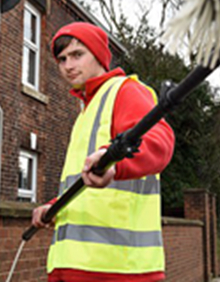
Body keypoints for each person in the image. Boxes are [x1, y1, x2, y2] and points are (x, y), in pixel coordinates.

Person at [31, 22, 175, 282]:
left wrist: (115, 163)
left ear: (98, 55)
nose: (68, 65)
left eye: (77, 55)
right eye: (62, 59)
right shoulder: (86, 109)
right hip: (72, 267)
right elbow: (84, 183)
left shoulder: (125, 90)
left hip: (117, 269)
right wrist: (53, 208)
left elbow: (160, 141)